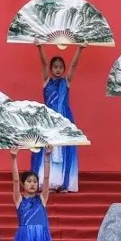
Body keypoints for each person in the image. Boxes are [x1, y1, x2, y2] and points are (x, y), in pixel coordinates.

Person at [31, 39, 84, 192]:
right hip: (48, 120)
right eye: (55, 66)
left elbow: (74, 65)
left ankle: (63, 182)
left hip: (64, 119)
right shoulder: (46, 81)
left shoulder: (66, 82)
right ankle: (47, 182)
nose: (58, 69)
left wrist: (80, 48)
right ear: (51, 68)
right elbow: (43, 63)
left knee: (64, 148)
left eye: (61, 67)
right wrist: (40, 47)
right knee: (48, 149)